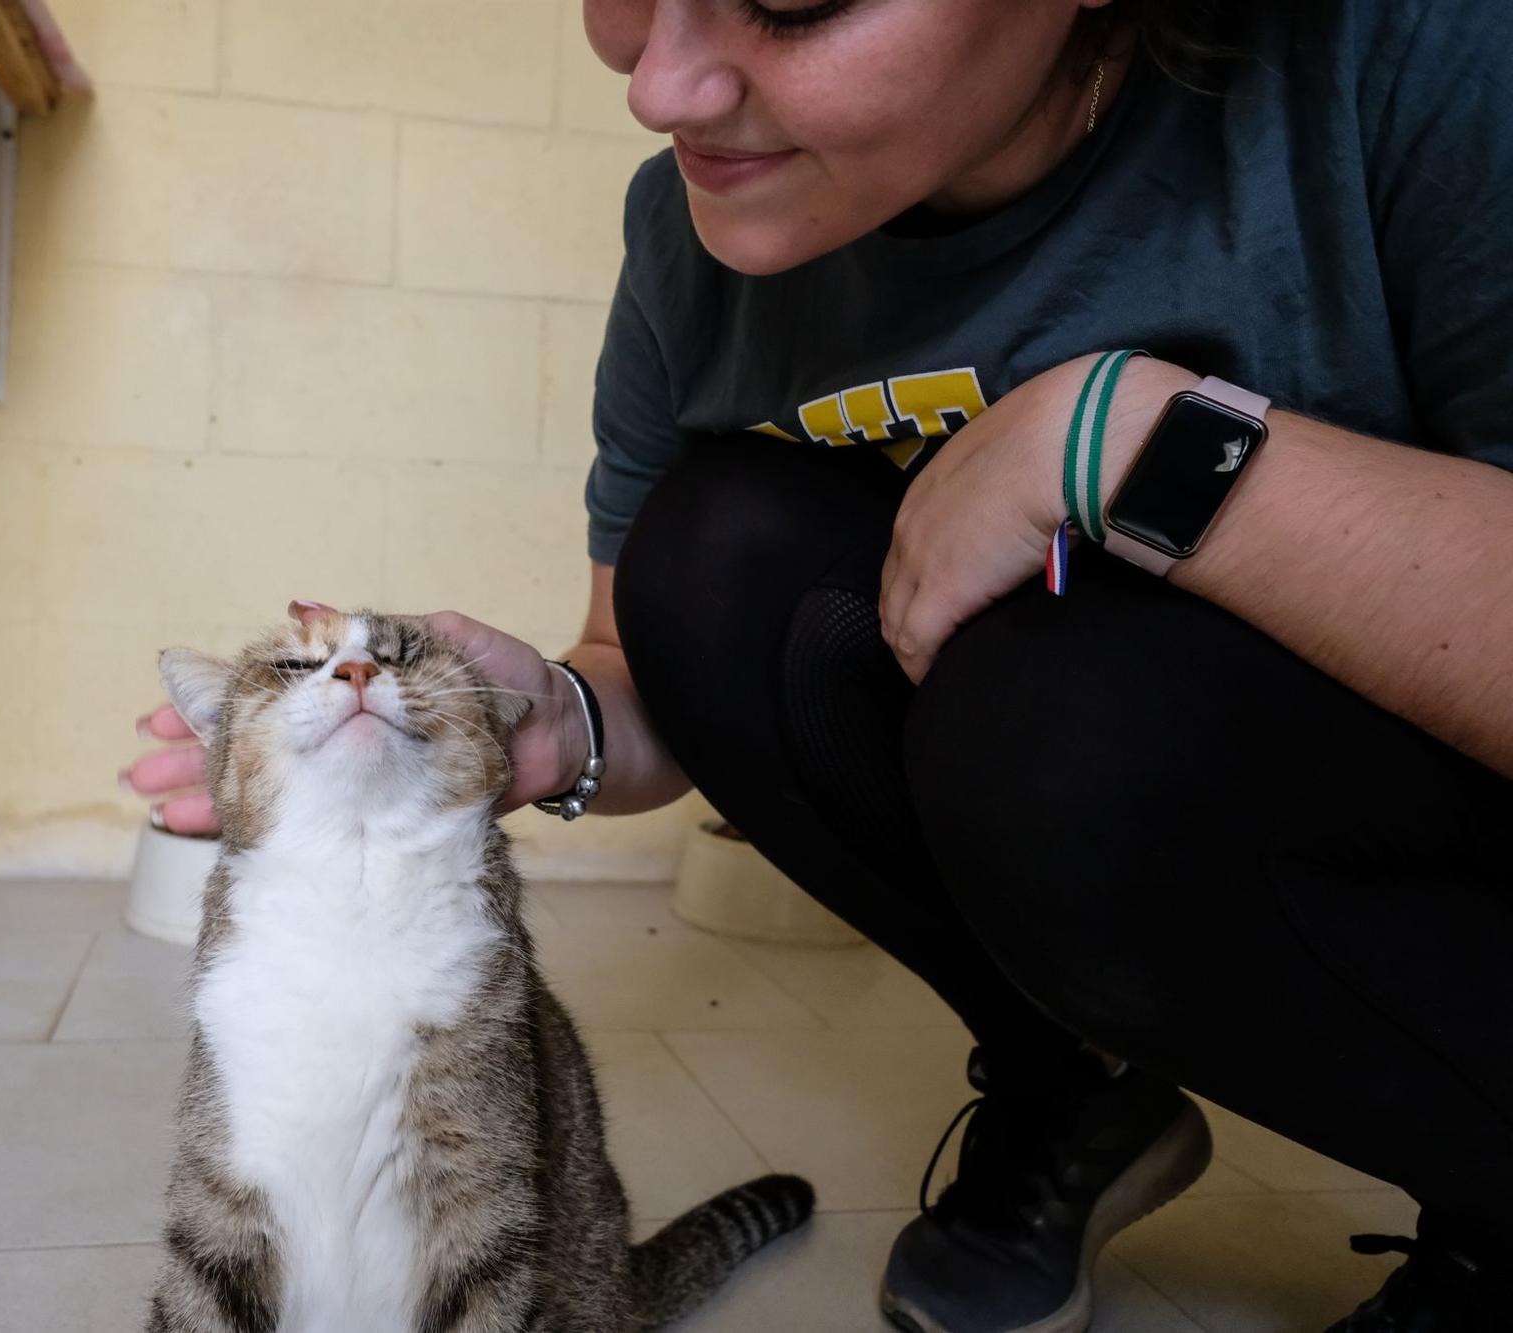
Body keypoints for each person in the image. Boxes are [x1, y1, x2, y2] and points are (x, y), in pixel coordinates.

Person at [125, 1, 1513, 1328]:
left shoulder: (1417, 54)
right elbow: (646, 661)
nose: (658, 84)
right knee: (708, 554)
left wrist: (1130, 447)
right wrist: (557, 719)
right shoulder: (694, 228)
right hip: (1097, 775)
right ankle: (1070, 1083)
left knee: (1064, 722)